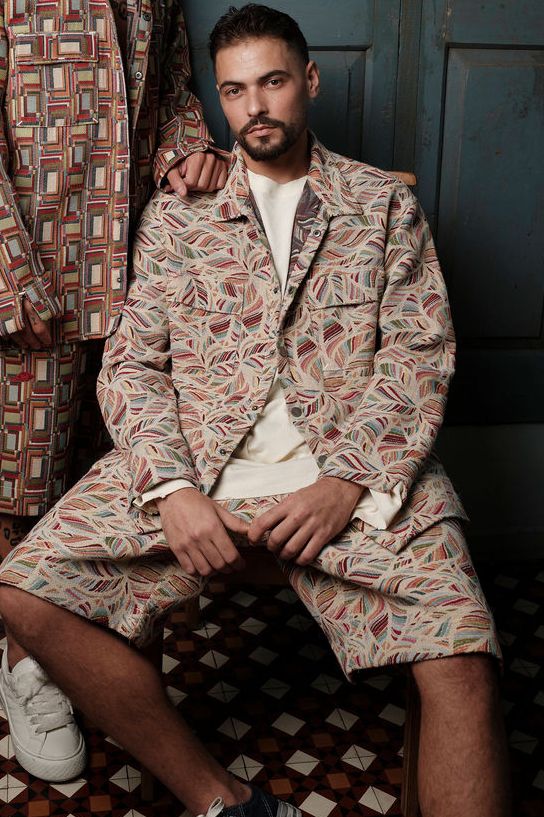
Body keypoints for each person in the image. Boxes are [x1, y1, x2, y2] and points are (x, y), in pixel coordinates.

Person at [0, 4, 511, 816]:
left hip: (358, 484)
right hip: (202, 473)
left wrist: (348, 481)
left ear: (309, 80)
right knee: (22, 589)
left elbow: (419, 354)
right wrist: (173, 490)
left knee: (465, 657)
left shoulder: (382, 205)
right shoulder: (177, 214)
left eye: (272, 82)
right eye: (234, 91)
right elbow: (132, 365)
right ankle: (224, 800)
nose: (255, 107)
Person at [0, 0, 227, 783]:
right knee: (22, 482)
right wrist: (6, 271)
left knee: (128, 473)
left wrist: (189, 151)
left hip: (137, 264)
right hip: (39, 270)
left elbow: (171, 90)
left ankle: (112, 665)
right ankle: (25, 665)